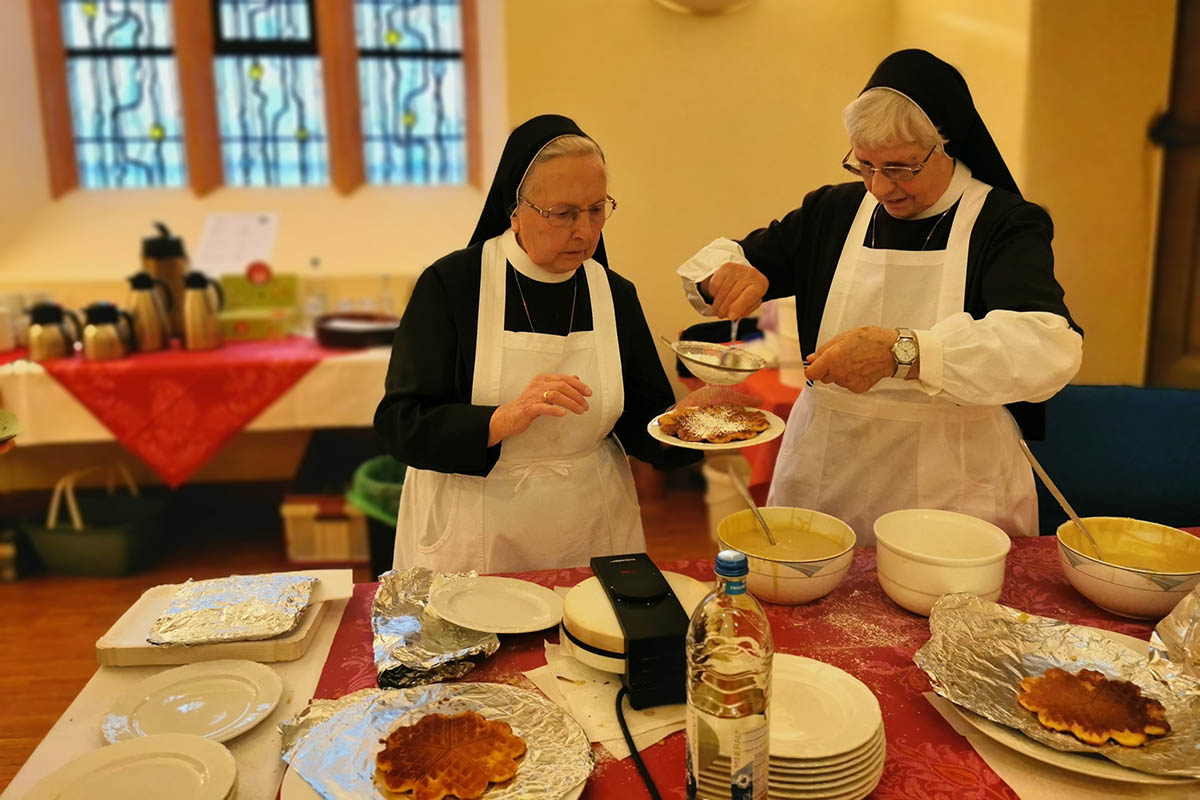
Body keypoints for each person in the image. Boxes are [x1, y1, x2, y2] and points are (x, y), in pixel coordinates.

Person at [677, 50, 1083, 544]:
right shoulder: (835, 210)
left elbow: (1047, 347)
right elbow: (720, 260)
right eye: (864, 165)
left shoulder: (1004, 223)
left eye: (901, 168)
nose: (881, 187)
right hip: (830, 470)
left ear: (946, 144)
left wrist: (902, 353)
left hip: (952, 479)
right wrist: (726, 275)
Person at [376, 114, 700, 574]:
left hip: (588, 526)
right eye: (564, 214)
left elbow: (643, 424)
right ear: (515, 211)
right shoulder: (451, 286)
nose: (585, 231)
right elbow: (399, 424)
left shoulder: (614, 295)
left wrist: (694, 426)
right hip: (476, 529)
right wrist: (502, 418)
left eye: (596, 209)